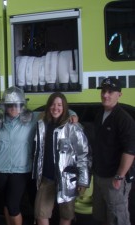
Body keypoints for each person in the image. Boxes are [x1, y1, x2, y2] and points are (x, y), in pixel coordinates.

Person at [0, 87, 79, 225]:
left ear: (22, 104)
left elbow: (57, 112)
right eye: (9, 105)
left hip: (20, 170)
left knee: (13, 205)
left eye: (17, 104)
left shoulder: (32, 118)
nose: (13, 108)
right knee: (7, 204)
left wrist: (72, 115)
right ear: (4, 106)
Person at [32, 92, 91, 225]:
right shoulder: (42, 125)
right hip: (46, 179)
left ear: (64, 108)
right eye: (52, 104)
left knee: (66, 215)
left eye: (59, 105)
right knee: (40, 213)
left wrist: (83, 180)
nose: (55, 108)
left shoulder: (72, 127)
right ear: (48, 107)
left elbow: (83, 155)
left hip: (67, 180)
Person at [92, 77, 135, 225]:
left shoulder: (124, 119)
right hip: (99, 176)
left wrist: (119, 176)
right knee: (102, 217)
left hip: (114, 179)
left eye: (110, 92)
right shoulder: (100, 114)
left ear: (119, 95)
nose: (105, 95)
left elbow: (130, 151)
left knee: (118, 218)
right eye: (104, 91)